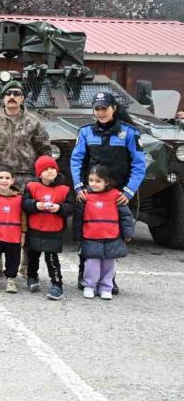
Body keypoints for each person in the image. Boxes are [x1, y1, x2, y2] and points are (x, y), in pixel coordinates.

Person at [70, 91, 145, 294]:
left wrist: (128, 192)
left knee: (113, 237)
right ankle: (85, 276)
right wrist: (78, 187)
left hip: (117, 195)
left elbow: (139, 165)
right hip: (91, 193)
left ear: (114, 109)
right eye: (97, 109)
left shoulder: (129, 133)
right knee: (89, 233)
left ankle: (108, 280)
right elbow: (76, 161)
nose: (100, 112)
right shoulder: (86, 132)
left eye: (104, 108)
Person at [73, 165, 135, 300]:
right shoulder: (85, 196)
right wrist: (77, 235)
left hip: (112, 237)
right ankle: (89, 286)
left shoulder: (116, 196)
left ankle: (106, 287)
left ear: (106, 182)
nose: (93, 184)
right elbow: (78, 218)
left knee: (109, 264)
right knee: (91, 263)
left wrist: (128, 233)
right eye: (91, 180)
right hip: (91, 237)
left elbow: (126, 216)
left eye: (98, 181)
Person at [0, 80, 51, 191]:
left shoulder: (34, 121)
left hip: (26, 177)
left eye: (16, 94)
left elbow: (45, 150)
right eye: (8, 93)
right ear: (3, 98)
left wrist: (44, 175)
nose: (12, 96)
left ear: (22, 98)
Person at [22, 155, 74, 301]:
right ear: (39, 174)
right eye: (45, 169)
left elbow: (71, 208)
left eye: (52, 168)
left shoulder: (65, 189)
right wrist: (35, 205)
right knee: (32, 257)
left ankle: (57, 284)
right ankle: (32, 277)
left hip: (53, 230)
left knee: (52, 259)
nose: (50, 171)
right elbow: (24, 203)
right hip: (35, 229)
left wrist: (59, 208)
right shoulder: (31, 187)